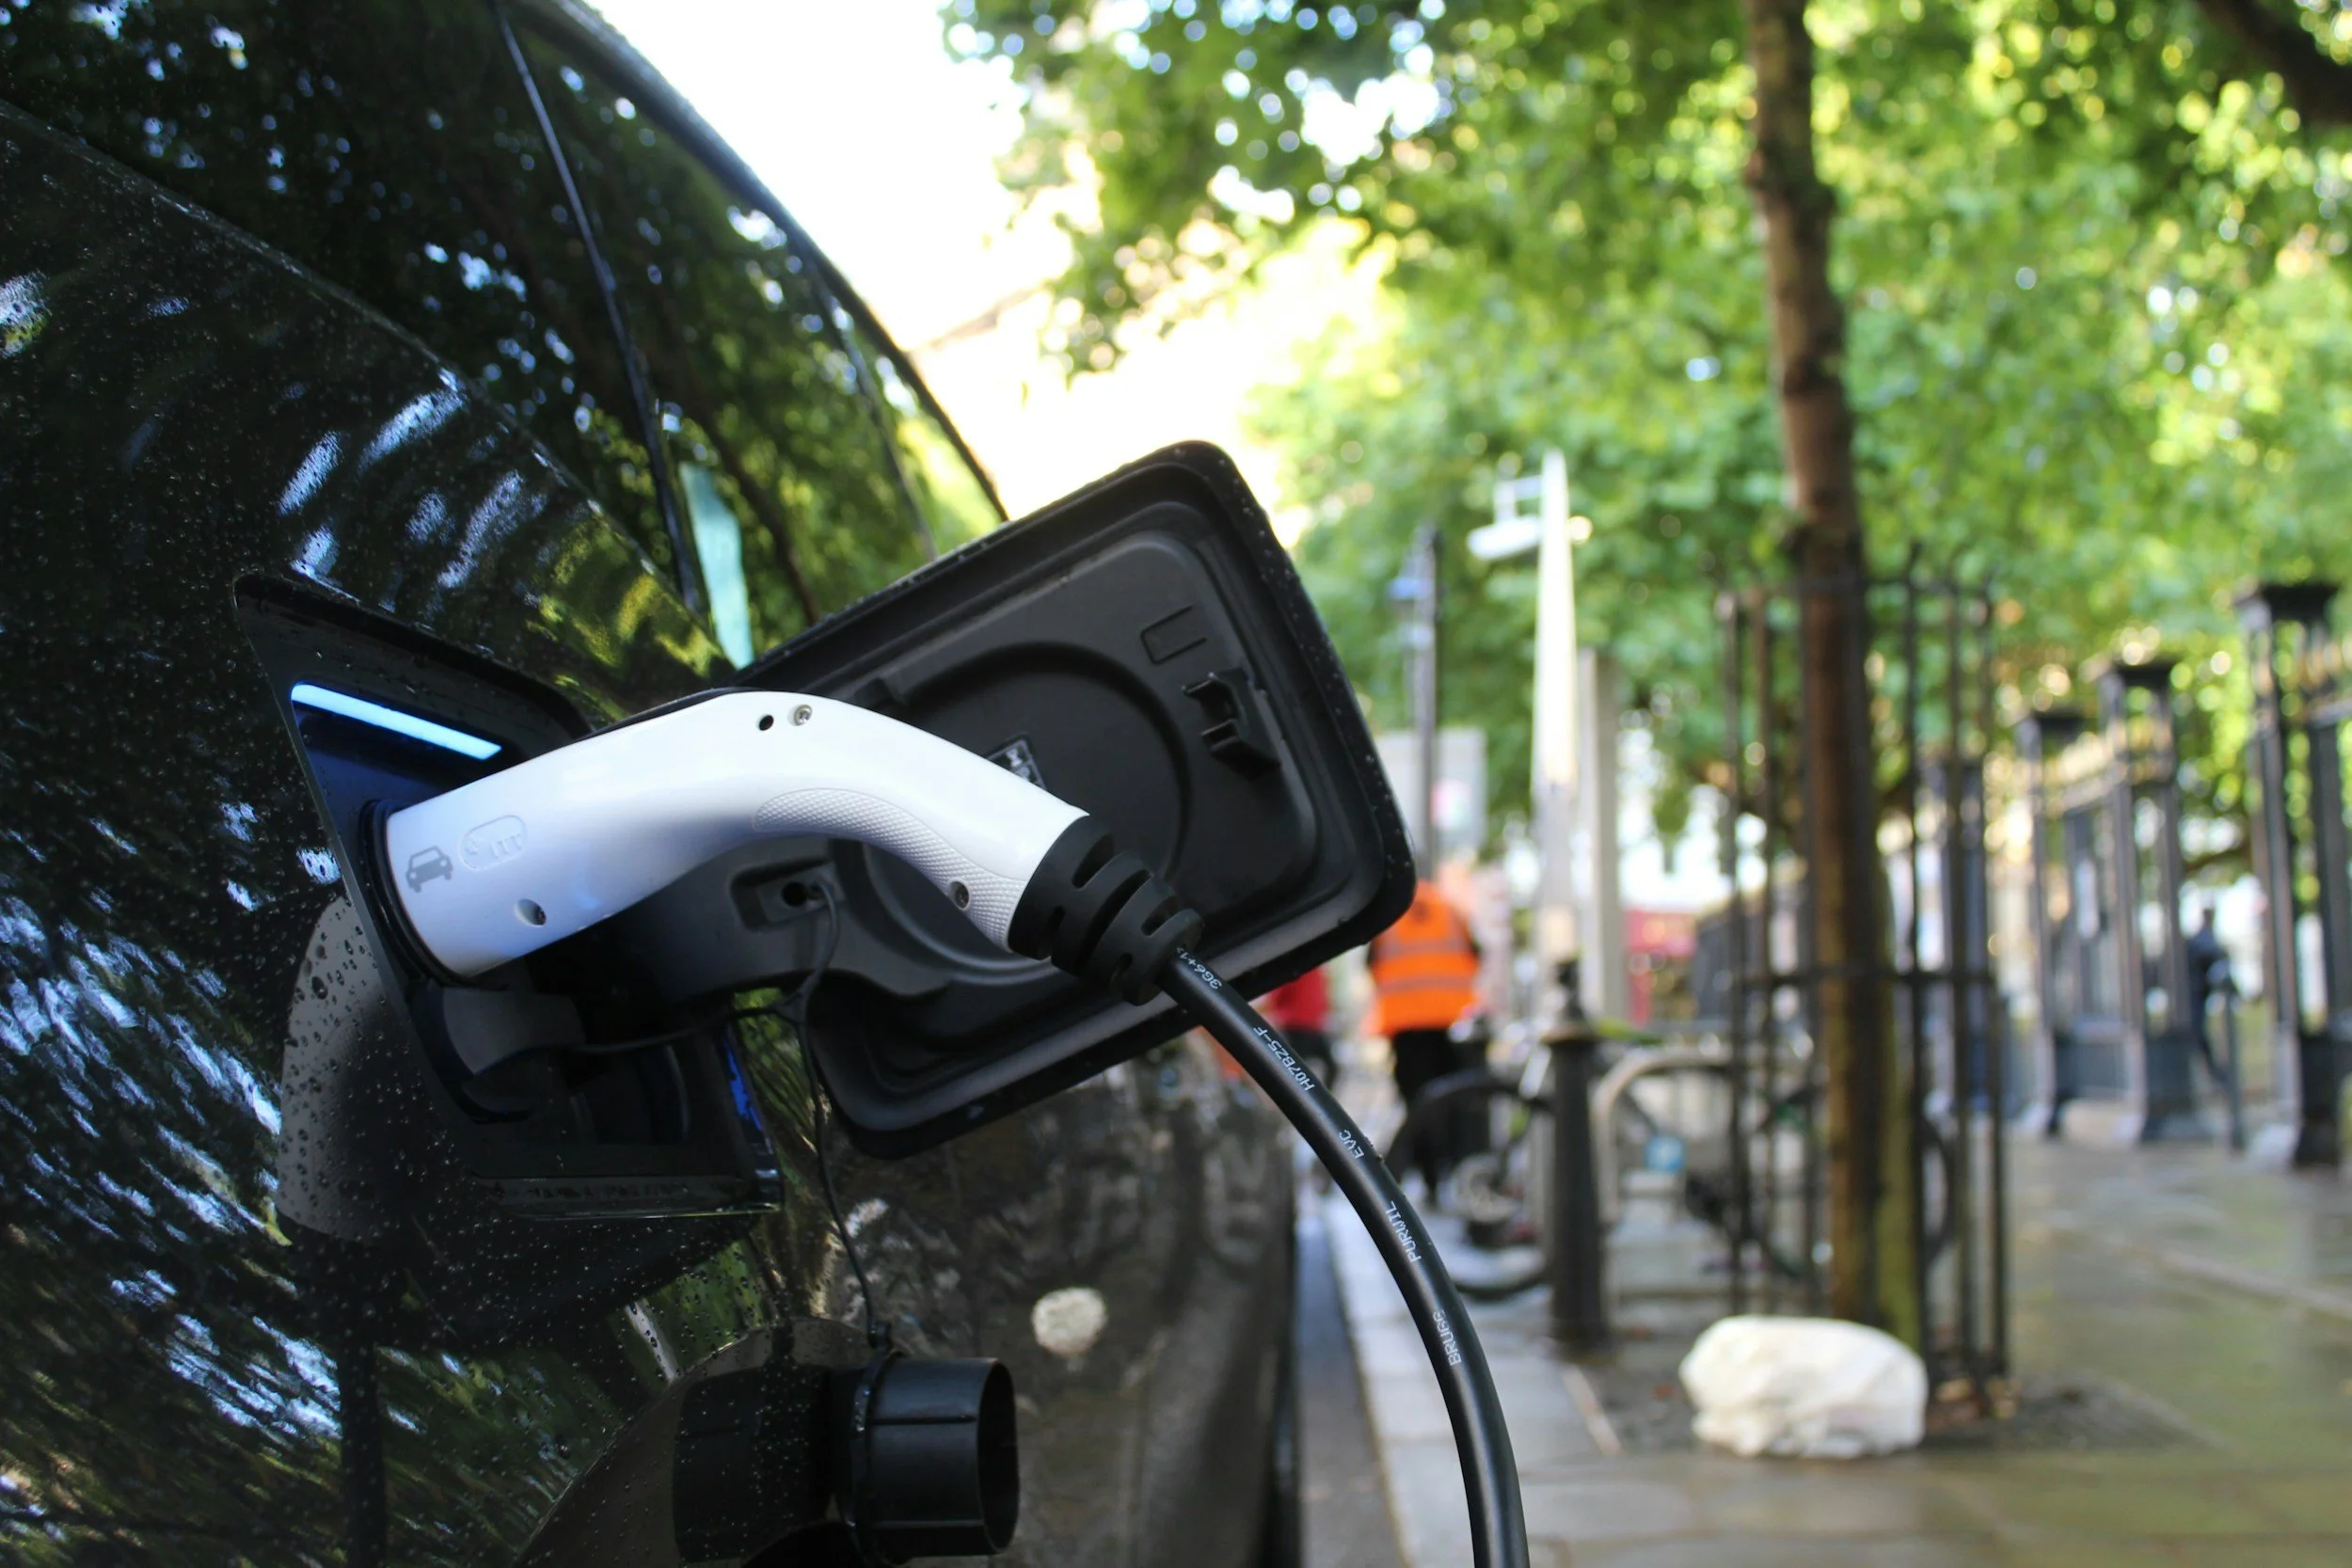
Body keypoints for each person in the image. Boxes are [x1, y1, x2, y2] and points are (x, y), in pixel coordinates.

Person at [1368, 879, 1483, 1196]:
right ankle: (1456, 1172)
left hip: (1406, 1025)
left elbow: (1373, 965)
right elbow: (1475, 955)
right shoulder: (1449, 909)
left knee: (1418, 1103)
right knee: (1453, 1100)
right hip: (1450, 1021)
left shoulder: (1389, 913)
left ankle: (1432, 1176)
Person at [2183, 903, 2234, 1088]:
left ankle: (2218, 1077)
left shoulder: (2202, 938)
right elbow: (2215, 955)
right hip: (2194, 995)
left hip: (2197, 995)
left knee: (2199, 1038)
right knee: (2197, 1037)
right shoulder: (2203, 939)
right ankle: (2217, 1077)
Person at [1258, 966, 1335, 1084]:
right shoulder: (1297, 969)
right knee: (1297, 1072)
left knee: (1304, 1071)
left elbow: (1274, 999)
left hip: (1311, 1026)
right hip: (1295, 1027)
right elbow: (1275, 997)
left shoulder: (1311, 969)